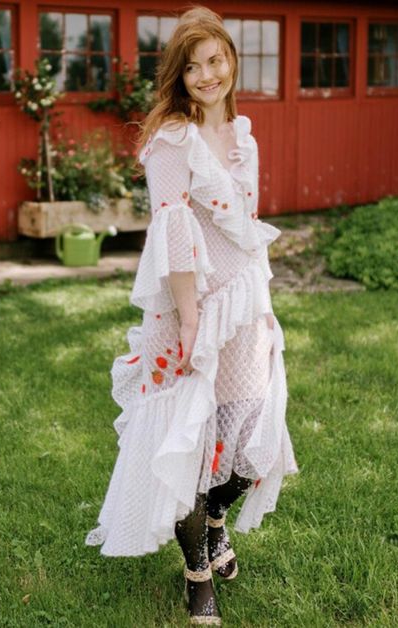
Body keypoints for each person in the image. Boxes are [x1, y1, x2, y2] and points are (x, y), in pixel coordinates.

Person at [83, 7, 297, 626]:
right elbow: (174, 234)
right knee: (192, 444)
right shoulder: (172, 142)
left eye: (216, 60)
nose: (208, 75)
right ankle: (197, 571)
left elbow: (242, 224)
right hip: (194, 312)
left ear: (231, 60)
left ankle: (215, 523)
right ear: (179, 75)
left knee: (249, 443)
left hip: (247, 303)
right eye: (194, 66)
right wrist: (188, 319)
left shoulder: (243, 132)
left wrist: (255, 298)